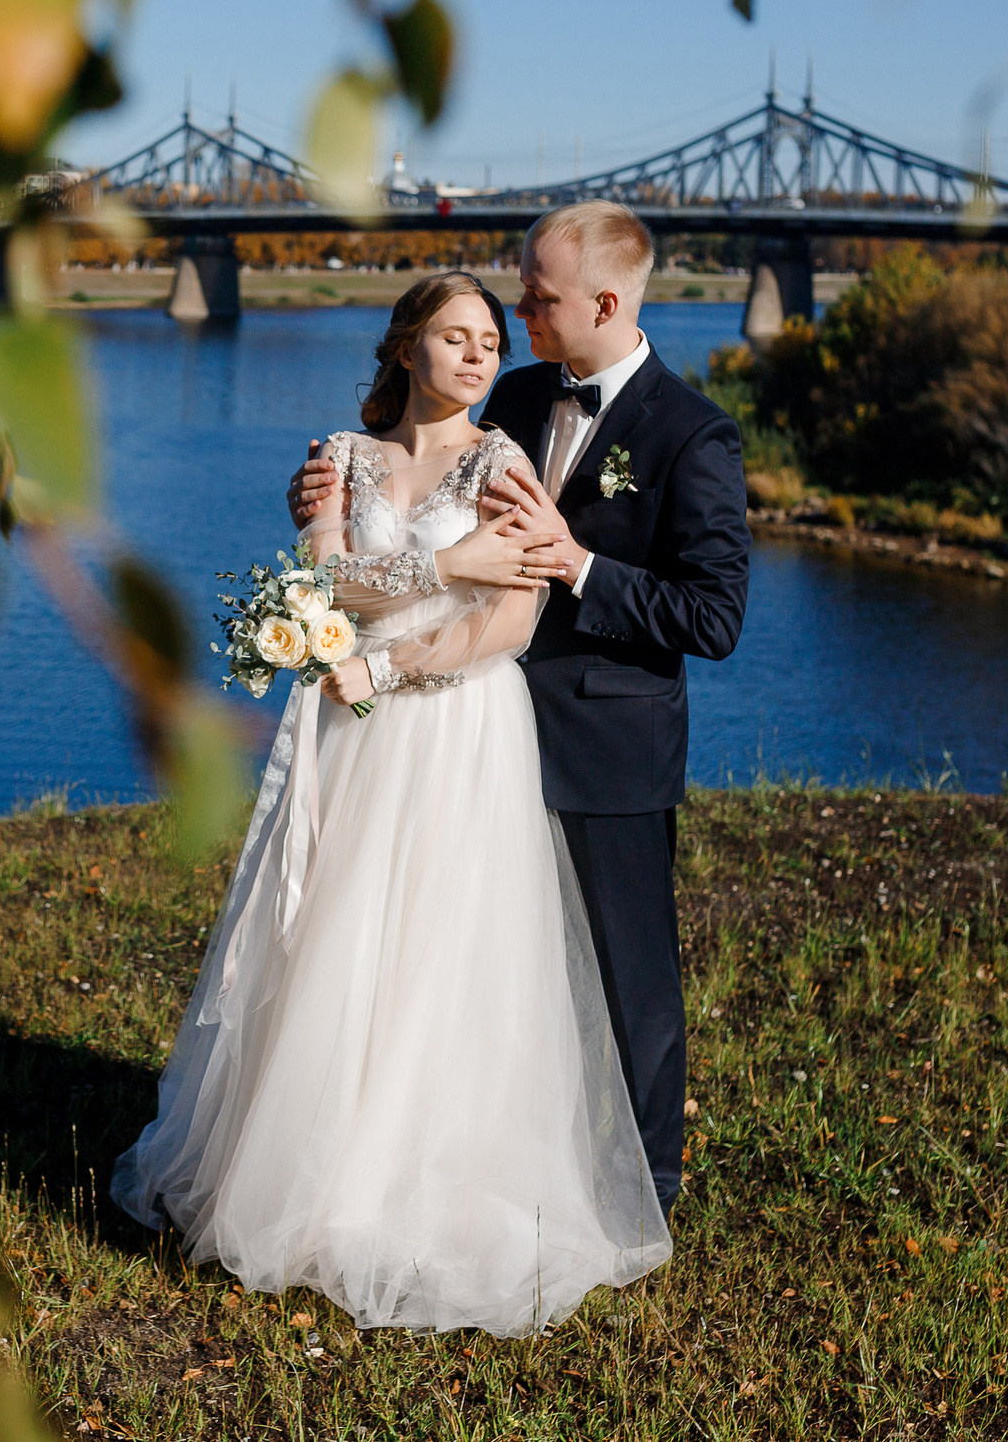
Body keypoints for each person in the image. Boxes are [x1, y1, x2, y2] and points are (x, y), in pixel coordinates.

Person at [112, 269, 671, 1337]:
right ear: (405, 344)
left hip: (455, 728)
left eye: (489, 338)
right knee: (330, 939)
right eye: (453, 334)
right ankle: (309, 1176)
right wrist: (435, 566)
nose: (476, 354)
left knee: (437, 951)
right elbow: (316, 593)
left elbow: (508, 624)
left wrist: (392, 665)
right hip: (345, 728)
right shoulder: (340, 461)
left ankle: (421, 1188)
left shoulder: (505, 462)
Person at [284, 203, 751, 1217]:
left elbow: (712, 618)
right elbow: (414, 463)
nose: (518, 308)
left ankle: (646, 1185)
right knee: (462, 950)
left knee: (629, 974)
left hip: (606, 738)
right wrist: (322, 498)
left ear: (605, 301)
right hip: (470, 725)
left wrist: (578, 564)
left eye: (536, 295)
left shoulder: (693, 434)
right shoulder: (523, 390)